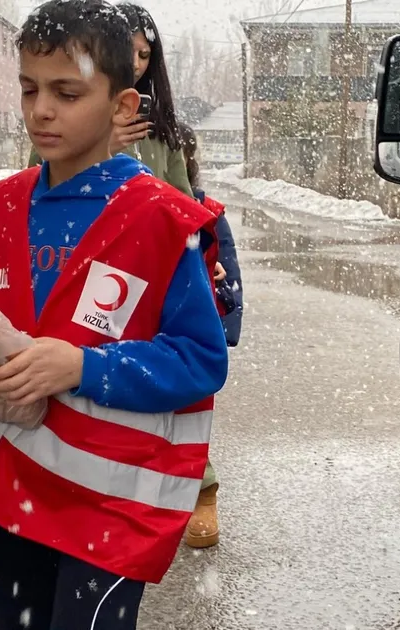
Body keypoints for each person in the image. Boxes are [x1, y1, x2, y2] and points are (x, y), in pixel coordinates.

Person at [0, 2, 228, 628]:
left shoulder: (159, 218)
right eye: (29, 88)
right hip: (8, 485)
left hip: (110, 502)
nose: (41, 110)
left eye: (67, 93)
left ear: (123, 106)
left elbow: (200, 359)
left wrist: (82, 364)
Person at [27, 3, 193, 200]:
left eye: (144, 55)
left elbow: (184, 206)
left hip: (145, 229)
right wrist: (99, 150)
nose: (135, 63)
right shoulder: (67, 116)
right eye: (128, 51)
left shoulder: (162, 127)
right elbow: (34, 190)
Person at [178, 124, 244, 549]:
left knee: (185, 409)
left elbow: (231, 279)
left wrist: (219, 323)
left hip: (187, 327)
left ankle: (203, 486)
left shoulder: (208, 214)